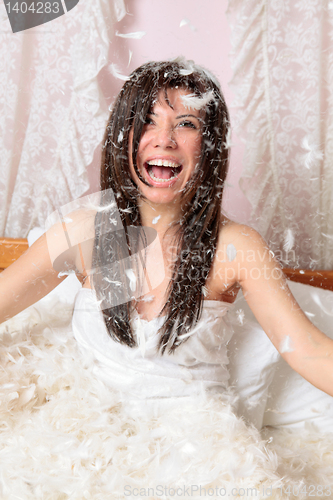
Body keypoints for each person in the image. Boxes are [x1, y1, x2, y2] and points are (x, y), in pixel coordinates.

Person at [0, 59, 332, 495]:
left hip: (195, 455)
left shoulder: (236, 247)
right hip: (86, 444)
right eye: (148, 121)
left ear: (209, 145)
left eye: (187, 123)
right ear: (125, 138)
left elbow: (306, 349)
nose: (165, 139)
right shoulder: (89, 231)